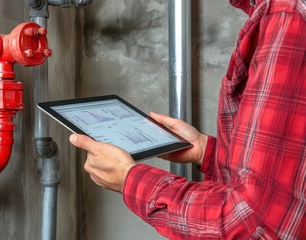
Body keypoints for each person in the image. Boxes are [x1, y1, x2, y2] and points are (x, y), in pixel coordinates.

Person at [69, 0, 306, 239]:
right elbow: (290, 174)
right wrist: (206, 152)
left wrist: (129, 180)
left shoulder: (287, 15)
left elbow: (249, 222)